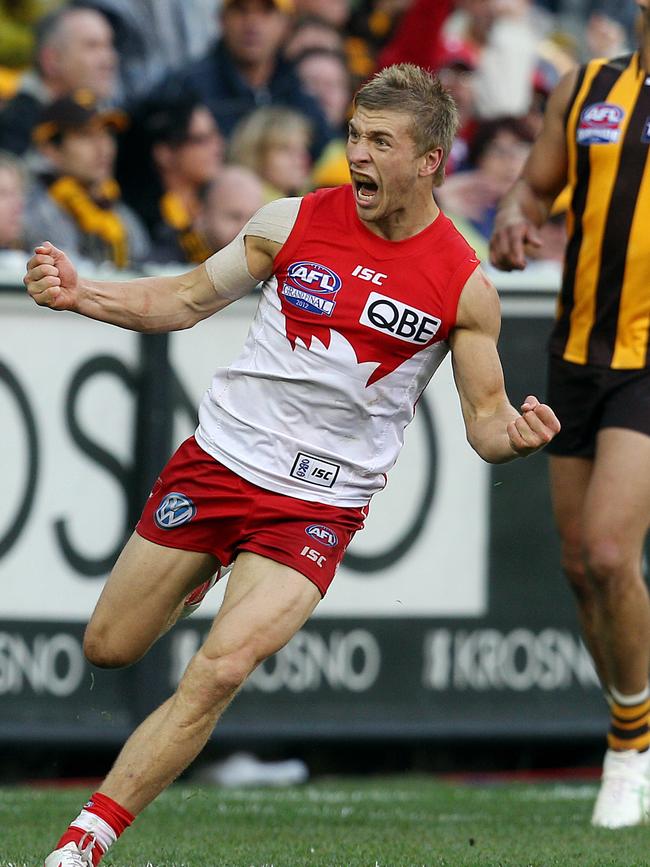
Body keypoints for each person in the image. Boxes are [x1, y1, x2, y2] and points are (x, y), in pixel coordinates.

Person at [26, 63, 559, 867]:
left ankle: (84, 842)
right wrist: (81, 295)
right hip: (220, 462)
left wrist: (514, 437)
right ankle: (205, 567)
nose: (358, 154)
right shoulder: (291, 219)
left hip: (315, 507)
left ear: (431, 161)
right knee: (110, 644)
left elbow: (484, 424)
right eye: (353, 134)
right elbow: (185, 298)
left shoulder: (462, 285)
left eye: (382, 141)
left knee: (219, 669)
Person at [489, 0, 650, 829]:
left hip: (648, 357)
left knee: (614, 546)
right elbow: (536, 187)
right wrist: (517, 217)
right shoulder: (589, 87)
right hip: (577, 344)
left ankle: (630, 743)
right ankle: (632, 724)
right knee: (580, 562)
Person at [157, 0, 331, 159]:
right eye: (241, 10)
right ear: (221, 19)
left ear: (286, 24)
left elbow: (329, 154)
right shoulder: (186, 88)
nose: (252, 23)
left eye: (266, 13)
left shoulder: (297, 88)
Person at [25, 91, 150, 269]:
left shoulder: (122, 215)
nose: (103, 148)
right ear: (50, 149)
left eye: (107, 135)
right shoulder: (24, 210)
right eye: (86, 136)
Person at [117, 95, 224, 265]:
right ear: (164, 153)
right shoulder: (140, 221)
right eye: (202, 140)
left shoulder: (217, 204)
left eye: (216, 135)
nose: (218, 147)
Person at [0, 6, 118, 156]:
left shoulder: (106, 115)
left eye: (109, 46)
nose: (109, 59)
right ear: (51, 60)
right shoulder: (13, 128)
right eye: (92, 46)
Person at [195, 164, 265, 254]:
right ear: (202, 216)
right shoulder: (175, 256)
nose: (244, 229)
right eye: (234, 217)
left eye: (252, 218)